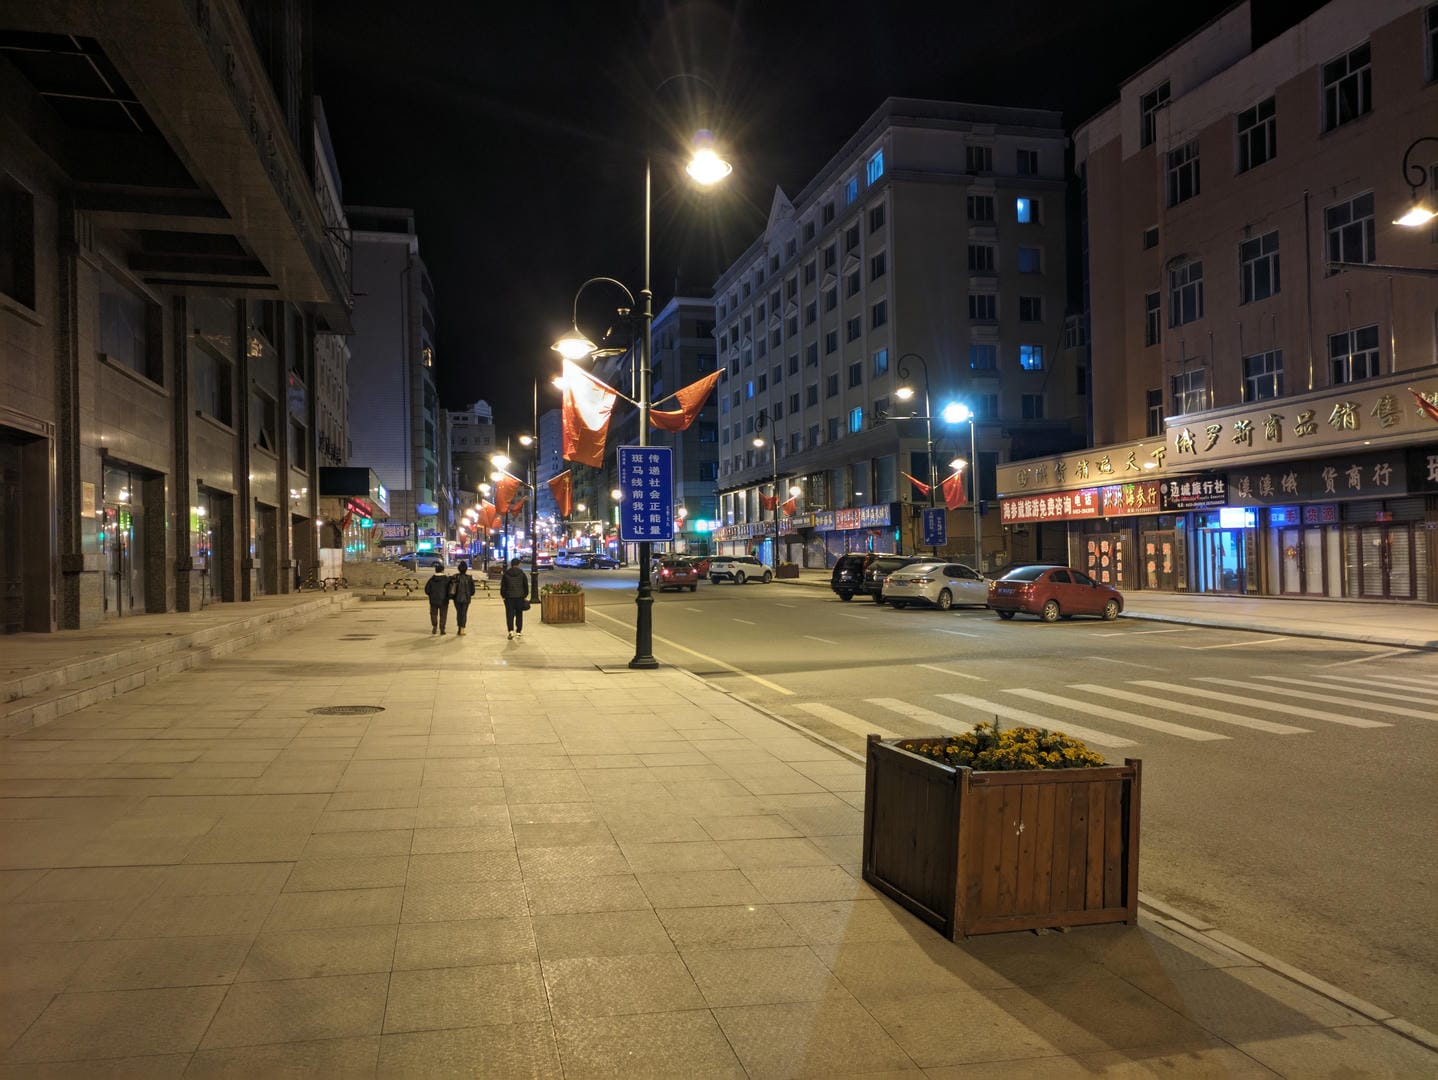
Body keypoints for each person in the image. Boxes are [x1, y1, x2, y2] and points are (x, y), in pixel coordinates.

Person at [499, 557, 528, 639]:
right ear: (518, 564)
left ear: (511, 565)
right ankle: (518, 631)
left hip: (509, 597)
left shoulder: (506, 574)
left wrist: (504, 596)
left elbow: (503, 587)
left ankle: (510, 631)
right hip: (519, 596)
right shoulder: (522, 573)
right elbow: (525, 586)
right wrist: (524, 595)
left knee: (509, 614)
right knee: (519, 614)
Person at [423, 564, 450, 635]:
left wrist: (431, 595)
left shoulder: (431, 579)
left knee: (433, 614)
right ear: (442, 570)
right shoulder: (446, 579)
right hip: (444, 600)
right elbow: (450, 590)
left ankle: (434, 626)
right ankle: (442, 629)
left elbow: (427, 590)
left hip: (433, 600)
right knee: (443, 615)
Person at [451, 560, 476, 635]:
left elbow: (451, 588)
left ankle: (459, 627)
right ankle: (462, 629)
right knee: (464, 613)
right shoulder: (469, 578)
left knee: (459, 612)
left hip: (456, 598)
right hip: (466, 598)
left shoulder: (455, 577)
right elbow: (472, 591)